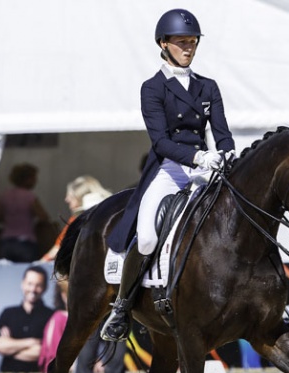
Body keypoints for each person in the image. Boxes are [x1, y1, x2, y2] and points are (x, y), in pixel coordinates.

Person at [101, 8, 236, 342]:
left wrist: (228, 152)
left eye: (192, 42)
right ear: (163, 44)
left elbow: (222, 132)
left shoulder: (208, 87)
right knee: (146, 237)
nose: (188, 48)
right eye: (181, 42)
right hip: (170, 169)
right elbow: (160, 141)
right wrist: (198, 156)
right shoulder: (153, 88)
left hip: (205, 170)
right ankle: (121, 307)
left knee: (239, 220)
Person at [0, 265, 54, 373]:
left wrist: (10, 347)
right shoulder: (8, 313)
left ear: (45, 288)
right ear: (22, 284)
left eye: (38, 285)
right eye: (30, 284)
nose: (33, 289)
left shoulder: (52, 316)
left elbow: (44, 353)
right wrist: (32, 342)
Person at [41, 175, 111, 262]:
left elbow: (59, 247)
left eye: (71, 196)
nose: (66, 199)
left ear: (80, 198)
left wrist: (40, 263)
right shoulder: (112, 215)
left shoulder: (77, 220)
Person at [0, 163, 49, 263]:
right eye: (33, 178)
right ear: (27, 179)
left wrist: (8, 219)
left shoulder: (4, 196)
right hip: (26, 241)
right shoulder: (30, 197)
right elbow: (44, 217)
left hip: (6, 241)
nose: (35, 181)